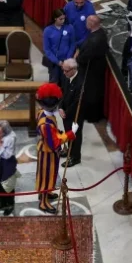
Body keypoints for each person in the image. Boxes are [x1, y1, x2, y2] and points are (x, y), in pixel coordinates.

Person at [35, 83, 78, 214]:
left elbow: (53, 133)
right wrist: (71, 133)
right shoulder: (46, 123)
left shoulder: (43, 113)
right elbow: (55, 142)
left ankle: (46, 193)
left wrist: (58, 132)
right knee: (46, 177)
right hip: (47, 153)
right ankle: (43, 202)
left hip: (48, 151)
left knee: (50, 175)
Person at [76, 15, 108, 123]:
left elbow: (85, 57)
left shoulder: (95, 40)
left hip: (92, 70)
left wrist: (78, 58)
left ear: (91, 24)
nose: (86, 24)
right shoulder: (100, 33)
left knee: (91, 93)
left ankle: (92, 116)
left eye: (87, 22)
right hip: (97, 68)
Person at [58, 59, 85, 168]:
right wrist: (60, 108)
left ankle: (75, 157)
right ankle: (69, 150)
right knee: (68, 132)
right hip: (65, 112)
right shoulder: (66, 77)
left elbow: (77, 102)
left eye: (66, 70)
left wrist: (66, 112)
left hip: (75, 114)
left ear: (74, 69)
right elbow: (62, 92)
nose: (64, 73)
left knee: (75, 135)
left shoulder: (80, 82)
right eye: (63, 70)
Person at [43, 8, 76, 84]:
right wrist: (57, 62)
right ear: (55, 18)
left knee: (66, 84)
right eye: (60, 19)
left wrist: (67, 60)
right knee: (54, 84)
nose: (63, 21)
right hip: (54, 63)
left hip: (67, 62)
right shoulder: (48, 30)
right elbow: (47, 49)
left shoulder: (70, 28)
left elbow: (72, 44)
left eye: (64, 19)